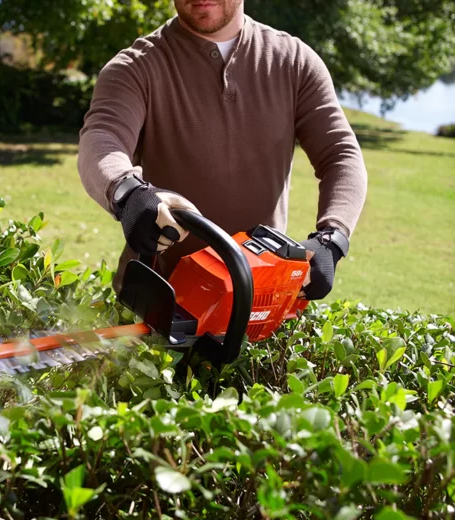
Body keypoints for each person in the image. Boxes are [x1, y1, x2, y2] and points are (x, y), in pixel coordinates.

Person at [77, 0, 368, 301]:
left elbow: (340, 155)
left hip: (258, 297)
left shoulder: (294, 61)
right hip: (155, 301)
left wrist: (332, 239)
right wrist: (128, 193)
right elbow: (102, 137)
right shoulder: (136, 66)